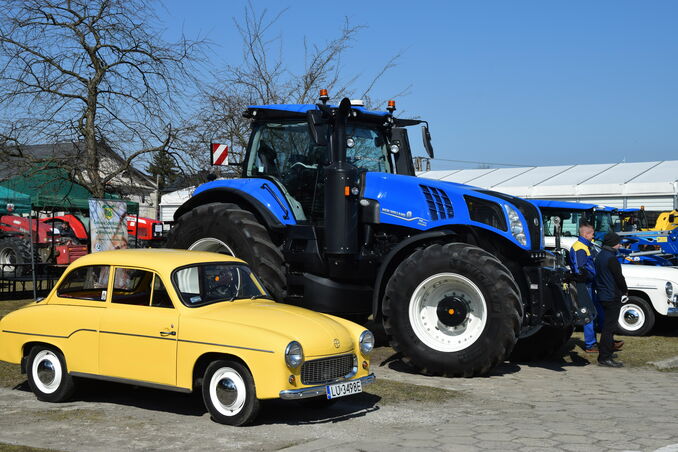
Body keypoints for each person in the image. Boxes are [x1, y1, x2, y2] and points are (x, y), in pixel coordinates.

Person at [594, 232, 628, 368]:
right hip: (611, 295)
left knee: (607, 327)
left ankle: (606, 352)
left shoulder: (600, 255)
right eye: (618, 242)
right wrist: (625, 290)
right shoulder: (611, 259)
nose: (620, 245)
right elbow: (619, 278)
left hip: (603, 294)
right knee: (609, 328)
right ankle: (604, 357)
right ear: (613, 243)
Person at [568, 221, 601, 352]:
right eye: (592, 234)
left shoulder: (584, 246)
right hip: (584, 285)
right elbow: (579, 269)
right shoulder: (579, 247)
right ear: (586, 234)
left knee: (592, 312)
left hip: (588, 283)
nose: (593, 236)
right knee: (587, 313)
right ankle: (590, 344)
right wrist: (587, 277)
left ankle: (592, 342)